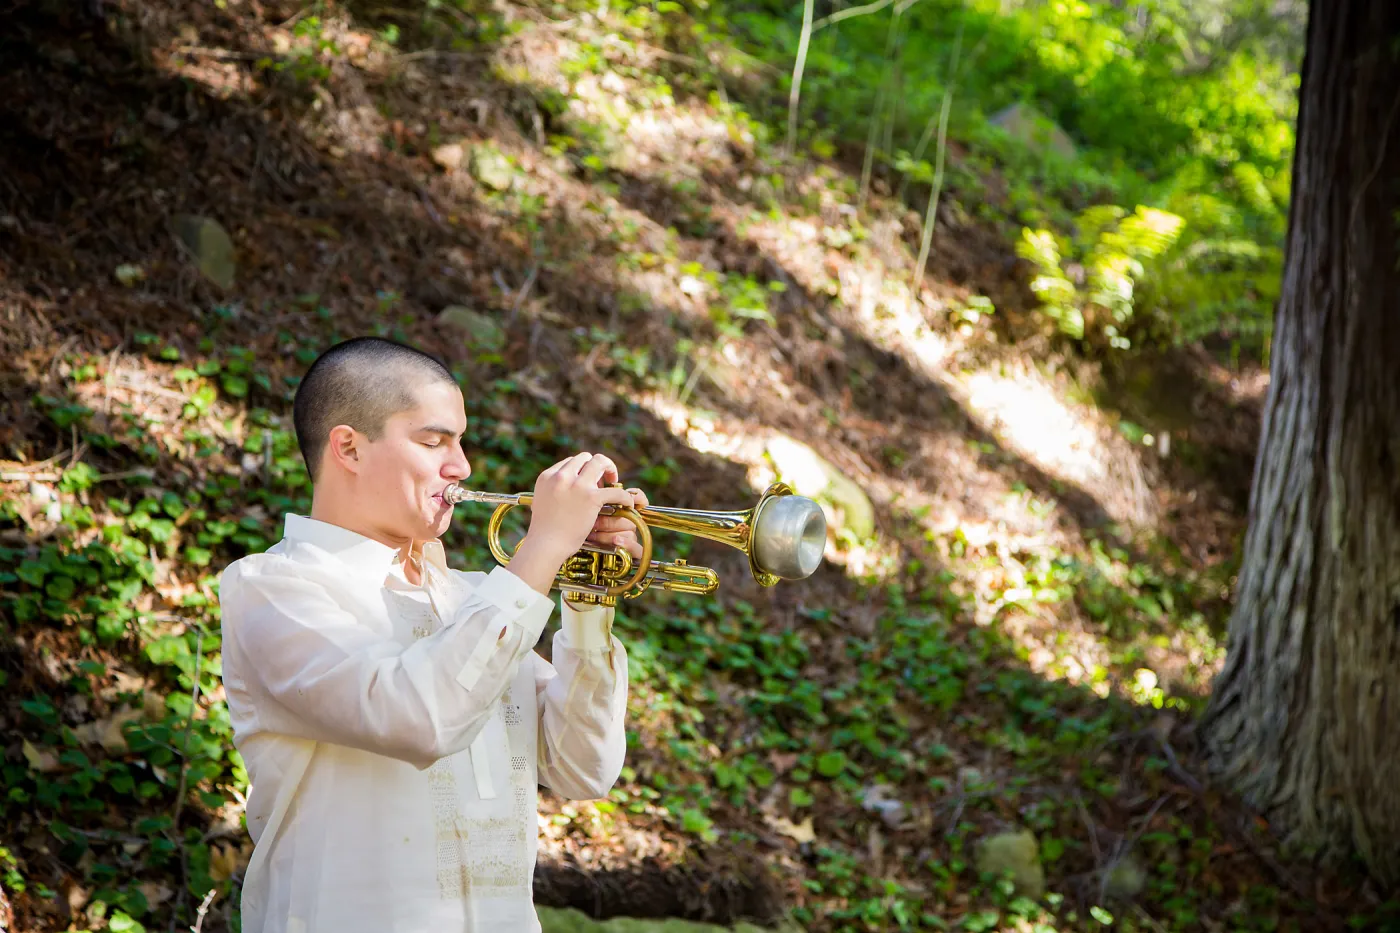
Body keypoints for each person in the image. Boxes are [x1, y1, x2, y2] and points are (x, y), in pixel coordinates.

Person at [218, 336, 646, 933]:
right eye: (433, 440)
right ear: (349, 447)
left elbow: (583, 769)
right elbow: (420, 716)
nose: (462, 466)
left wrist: (588, 599)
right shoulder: (271, 589)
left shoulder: (476, 600)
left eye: (461, 440)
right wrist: (543, 547)